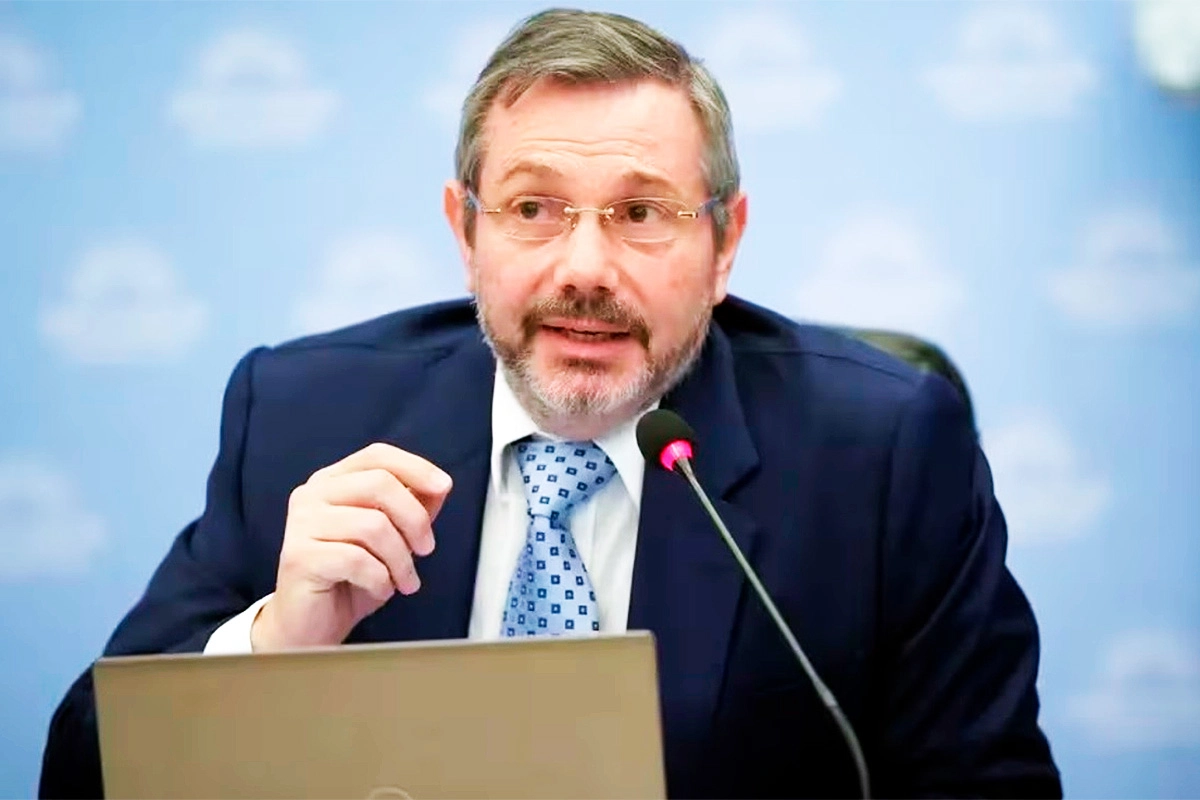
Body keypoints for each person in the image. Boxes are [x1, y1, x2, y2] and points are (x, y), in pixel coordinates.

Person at [39, 8, 1061, 798]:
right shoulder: (304, 417)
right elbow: (83, 772)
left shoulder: (880, 453)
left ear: (725, 243)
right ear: (465, 230)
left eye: (641, 212)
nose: (585, 268)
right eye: (533, 208)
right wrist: (272, 647)